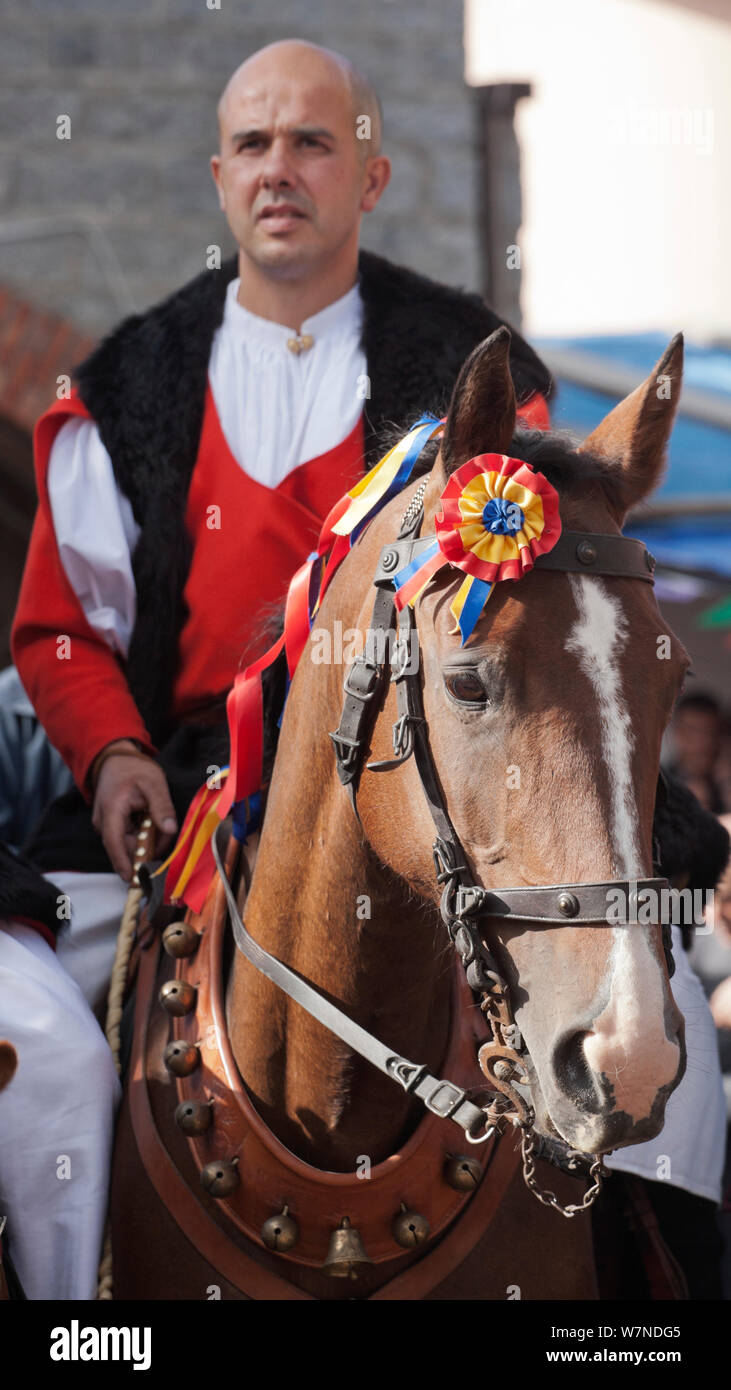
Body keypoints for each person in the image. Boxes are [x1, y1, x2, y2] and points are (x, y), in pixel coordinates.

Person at [0, 39, 553, 1299]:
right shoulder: (131, 382)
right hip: (168, 812)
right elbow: (62, 631)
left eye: (312, 142)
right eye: (252, 144)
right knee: (50, 1072)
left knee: (645, 1027)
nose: (279, 170)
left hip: (428, 807)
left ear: (374, 173)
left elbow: (529, 614)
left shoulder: (472, 374)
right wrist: (114, 751)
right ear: (215, 176)